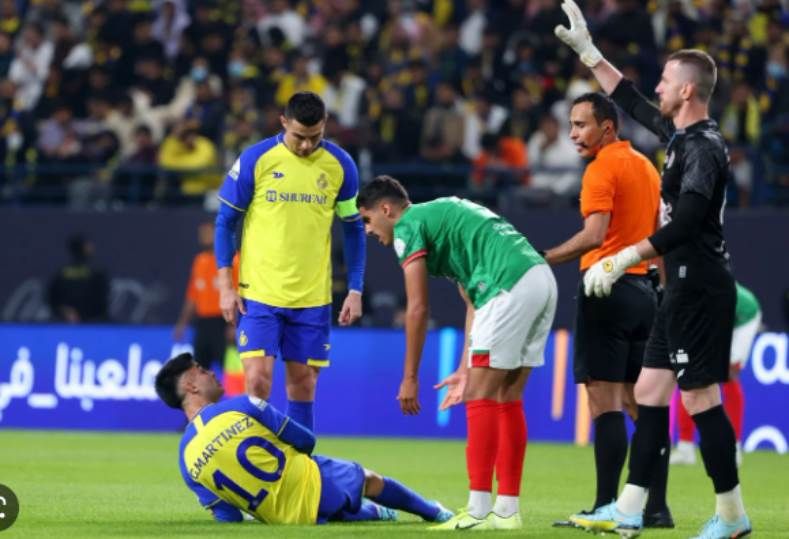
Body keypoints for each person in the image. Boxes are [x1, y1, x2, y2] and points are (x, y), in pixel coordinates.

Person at [555, 1, 751, 537]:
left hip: (700, 286)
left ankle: (732, 515)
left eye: (666, 80)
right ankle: (630, 507)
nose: (657, 87)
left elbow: (686, 223)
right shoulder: (682, 138)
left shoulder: (704, 147)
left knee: (700, 399)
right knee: (647, 394)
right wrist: (590, 54)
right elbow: (631, 101)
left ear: (687, 91)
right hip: (676, 288)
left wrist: (623, 257)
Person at [357, 176, 557, 531]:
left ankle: (477, 510)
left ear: (386, 210)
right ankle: (506, 511)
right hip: (539, 279)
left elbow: (417, 308)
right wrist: (465, 367)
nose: (368, 230)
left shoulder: (408, 226)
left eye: (367, 219)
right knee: (508, 397)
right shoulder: (441, 218)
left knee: (481, 397)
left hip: (506, 284)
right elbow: (472, 302)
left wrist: (410, 377)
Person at [541, 92, 672, 528]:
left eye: (581, 125)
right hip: (646, 292)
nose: (573, 134)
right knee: (642, 405)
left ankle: (604, 506)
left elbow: (595, 235)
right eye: (571, 125)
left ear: (607, 127)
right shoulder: (647, 167)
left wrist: (545, 258)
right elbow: (660, 236)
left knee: (604, 402)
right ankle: (656, 507)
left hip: (607, 290)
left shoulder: (601, 168)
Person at [154, 353, 453, 525]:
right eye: (202, 371)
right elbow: (306, 441)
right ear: (191, 386)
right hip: (315, 483)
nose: (211, 373)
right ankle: (434, 511)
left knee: (325, 510)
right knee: (368, 480)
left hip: (283, 519)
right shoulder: (242, 405)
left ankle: (374, 512)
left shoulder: (185, 459)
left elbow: (227, 516)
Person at [215, 91, 365, 432]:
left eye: (315, 137)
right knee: (257, 380)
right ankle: (255, 455)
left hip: (311, 296)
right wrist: (225, 286)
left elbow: (353, 228)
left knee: (303, 383)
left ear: (325, 125)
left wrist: (355, 289)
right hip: (259, 293)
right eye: (299, 137)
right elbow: (225, 222)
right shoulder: (257, 159)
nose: (307, 146)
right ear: (283, 122)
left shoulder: (341, 166)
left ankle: (299, 460)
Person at [672, 282, 762, 467]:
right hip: (715, 318)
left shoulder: (709, 292)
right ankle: (685, 447)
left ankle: (733, 448)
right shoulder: (681, 291)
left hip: (743, 318)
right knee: (689, 378)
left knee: (729, 375)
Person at [174, 221, 238, 371]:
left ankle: (237, 388)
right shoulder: (199, 261)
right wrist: (182, 323)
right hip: (203, 323)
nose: (204, 236)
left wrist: (233, 324)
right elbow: (192, 296)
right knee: (200, 369)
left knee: (230, 369)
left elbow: (238, 293)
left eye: (208, 232)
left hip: (223, 321)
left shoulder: (232, 260)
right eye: (202, 233)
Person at [48, 235, 110, 323]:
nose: (91, 248)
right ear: (83, 248)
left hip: (88, 322)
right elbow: (53, 298)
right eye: (88, 246)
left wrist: (63, 311)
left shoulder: (61, 273)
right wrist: (65, 312)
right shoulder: (96, 273)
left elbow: (52, 299)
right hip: (88, 323)